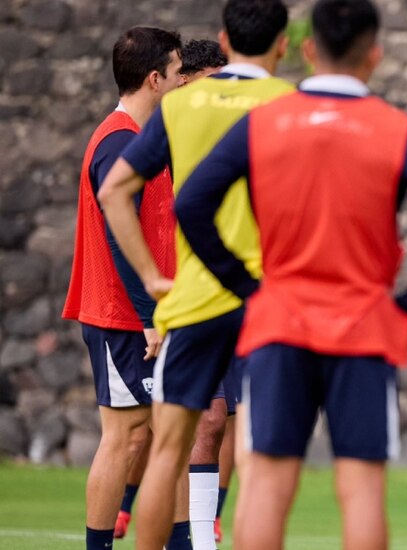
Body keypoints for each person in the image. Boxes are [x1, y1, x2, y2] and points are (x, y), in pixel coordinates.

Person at [174, 1, 407, 547]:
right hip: (363, 330)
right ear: (376, 55)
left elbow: (193, 203)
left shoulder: (266, 121)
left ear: (309, 48)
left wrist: (245, 287)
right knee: (360, 488)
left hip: (280, 324)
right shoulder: (394, 128)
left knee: (267, 482)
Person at [97, 1, 293, 549]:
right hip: (267, 303)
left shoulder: (182, 106)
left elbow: (113, 191)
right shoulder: (290, 105)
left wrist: (151, 278)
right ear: (283, 44)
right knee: (258, 448)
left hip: (196, 299)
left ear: (224, 39)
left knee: (168, 449)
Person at [60, 26, 187, 550]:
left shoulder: (139, 141)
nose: (184, 83)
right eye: (179, 73)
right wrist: (147, 317)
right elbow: (119, 240)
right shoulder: (118, 144)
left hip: (145, 316)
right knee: (126, 437)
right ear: (155, 79)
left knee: (167, 435)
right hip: (123, 319)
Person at [110, 36, 232, 544]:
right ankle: (128, 515)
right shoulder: (150, 132)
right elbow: (115, 199)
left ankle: (202, 528)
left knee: (216, 422)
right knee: (158, 431)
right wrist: (150, 294)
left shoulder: (225, 126)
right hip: (183, 301)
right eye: (190, 79)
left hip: (231, 295)